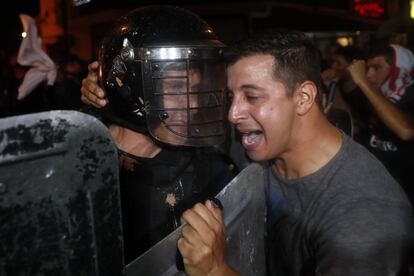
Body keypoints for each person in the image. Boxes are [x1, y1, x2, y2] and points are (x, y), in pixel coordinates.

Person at [177, 30, 413, 276]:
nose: (233, 114)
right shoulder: (265, 147)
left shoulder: (365, 220)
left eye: (252, 96)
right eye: (231, 97)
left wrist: (215, 270)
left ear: (303, 98)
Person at [80, 5, 237, 263]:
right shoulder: (82, 163)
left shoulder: (211, 168)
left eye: (195, 89)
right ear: (129, 86)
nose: (194, 104)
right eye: (176, 85)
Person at [348, 44, 414, 203]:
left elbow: (406, 130)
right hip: (379, 192)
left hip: (406, 196)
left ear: (399, 69)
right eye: (368, 68)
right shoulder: (378, 94)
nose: (369, 74)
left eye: (376, 67)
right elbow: (354, 124)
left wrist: (363, 82)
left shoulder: (411, 95)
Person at [322, 45, 372, 144]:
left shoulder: (365, 91)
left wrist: (333, 86)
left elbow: (352, 123)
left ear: (353, 66)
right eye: (333, 62)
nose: (333, 67)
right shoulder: (339, 84)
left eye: (338, 63)